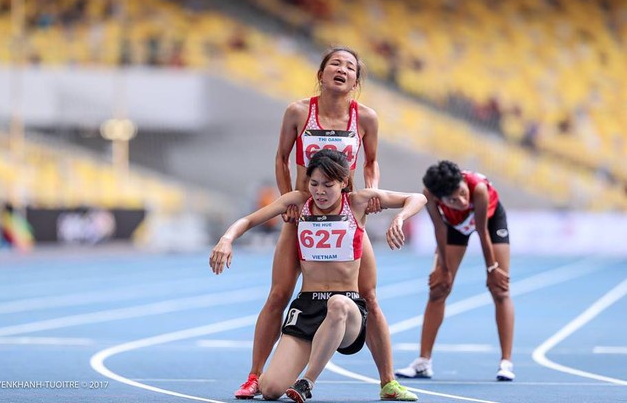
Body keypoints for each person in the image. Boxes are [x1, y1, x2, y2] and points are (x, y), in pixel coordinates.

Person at [235, 46, 413, 400]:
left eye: (349, 67)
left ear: (356, 81)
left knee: (370, 297)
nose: (341, 70)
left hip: (345, 217)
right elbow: (281, 158)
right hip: (304, 214)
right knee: (278, 295)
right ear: (321, 73)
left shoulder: (366, 118)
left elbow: (371, 162)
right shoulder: (298, 112)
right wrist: (289, 202)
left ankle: (388, 382)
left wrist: (373, 191)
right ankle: (255, 376)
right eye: (335, 63)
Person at [210, 149, 426, 402]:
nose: (320, 191)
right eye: (314, 183)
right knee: (270, 390)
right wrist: (226, 239)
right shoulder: (299, 202)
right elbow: (248, 220)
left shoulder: (358, 202)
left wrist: (399, 218)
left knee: (338, 304)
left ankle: (308, 381)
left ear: (344, 183)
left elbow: (418, 198)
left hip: (347, 309)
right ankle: (281, 369)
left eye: (328, 185)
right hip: (307, 308)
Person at [395, 160, 515, 381]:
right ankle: (423, 362)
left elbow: (481, 231)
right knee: (439, 289)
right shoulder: (429, 195)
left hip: (488, 221)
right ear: (440, 199)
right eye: (453, 200)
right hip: (453, 226)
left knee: (499, 288)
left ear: (463, 182)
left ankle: (506, 362)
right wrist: (445, 269)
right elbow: (439, 229)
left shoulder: (477, 188)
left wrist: (492, 268)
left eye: (461, 192)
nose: (461, 200)